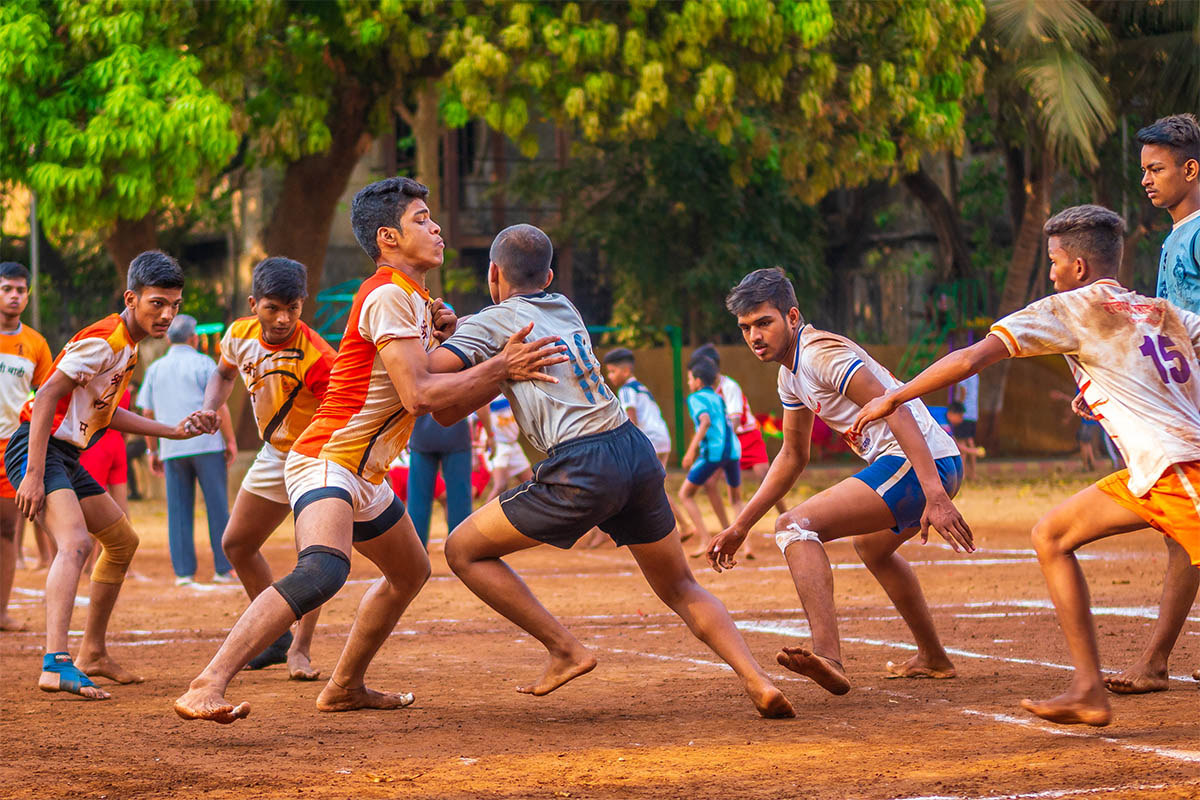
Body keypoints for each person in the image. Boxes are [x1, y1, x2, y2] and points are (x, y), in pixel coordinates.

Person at [173, 177, 565, 724]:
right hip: (326, 456)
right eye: (423, 219)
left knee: (410, 572)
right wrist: (499, 365)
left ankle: (345, 686)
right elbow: (421, 394)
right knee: (322, 571)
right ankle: (206, 683)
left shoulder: (414, 300)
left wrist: (476, 355)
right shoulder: (385, 295)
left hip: (365, 471)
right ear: (388, 237)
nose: (437, 229)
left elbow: (440, 399)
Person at [853, 204, 1200, 727]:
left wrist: (893, 397)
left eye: (1054, 260)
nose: (1052, 271)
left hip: (1181, 468)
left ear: (1078, 268)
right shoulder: (1159, 311)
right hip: (1155, 470)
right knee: (1051, 535)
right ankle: (1087, 687)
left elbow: (972, 358)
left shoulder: (1071, 307)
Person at [434, 224, 794, 718]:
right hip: (633, 450)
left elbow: (431, 377)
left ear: (493, 273)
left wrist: (434, 332)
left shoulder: (493, 320)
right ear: (550, 276)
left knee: (461, 549)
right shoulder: (565, 308)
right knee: (681, 587)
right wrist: (464, 335)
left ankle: (564, 649)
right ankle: (757, 679)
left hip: (580, 465)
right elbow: (475, 380)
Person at [707, 267, 971, 697]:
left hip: (920, 462)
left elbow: (896, 409)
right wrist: (741, 525)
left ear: (792, 317)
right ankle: (933, 658)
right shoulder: (790, 374)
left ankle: (828, 656)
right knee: (872, 547)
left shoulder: (818, 355)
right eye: (745, 328)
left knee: (795, 526)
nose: (754, 336)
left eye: (763, 323)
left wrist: (935, 495)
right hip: (922, 462)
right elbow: (793, 456)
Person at [10, 250, 211, 700]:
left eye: (174, 305)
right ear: (131, 297)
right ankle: (55, 664)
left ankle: (93, 653)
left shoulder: (128, 344)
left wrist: (171, 431)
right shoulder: (105, 339)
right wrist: (34, 474)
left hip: (65, 455)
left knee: (122, 541)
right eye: (157, 303)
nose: (167, 314)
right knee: (77, 543)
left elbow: (108, 410)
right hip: (36, 447)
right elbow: (44, 400)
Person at [1100, 113, 1200, 696]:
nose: (1146, 180)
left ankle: (1156, 661)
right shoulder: (1176, 235)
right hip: (1186, 409)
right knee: (1183, 532)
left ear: (1191, 169)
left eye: (1156, 169)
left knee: (1184, 533)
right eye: (1143, 171)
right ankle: (1157, 659)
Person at [200, 257, 336, 679]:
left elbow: (340, 412)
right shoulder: (239, 333)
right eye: (272, 308)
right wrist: (209, 407)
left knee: (313, 557)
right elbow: (223, 374)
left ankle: (300, 648)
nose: (282, 319)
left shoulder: (316, 356)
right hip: (274, 452)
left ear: (302, 305)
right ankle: (276, 635)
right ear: (253, 303)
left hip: (317, 456)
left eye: (292, 309)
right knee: (236, 544)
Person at [138, 314, 236, 585]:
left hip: (172, 447)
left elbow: (147, 411)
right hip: (206, 445)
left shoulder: (155, 369)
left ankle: (183, 572)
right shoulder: (204, 363)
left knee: (178, 510)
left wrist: (152, 451)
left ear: (168, 338)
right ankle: (223, 567)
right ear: (194, 338)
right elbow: (220, 406)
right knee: (217, 507)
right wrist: (229, 440)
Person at [0, 261, 52, 631]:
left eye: (20, 290)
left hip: (10, 447)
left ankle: (0, 612)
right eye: (6, 288)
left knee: (7, 529)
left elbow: (47, 395)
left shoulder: (35, 344)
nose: (14, 295)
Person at [602, 348, 692, 539]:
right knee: (653, 486)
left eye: (612, 371)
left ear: (625, 371)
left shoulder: (626, 390)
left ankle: (677, 526)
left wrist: (627, 445)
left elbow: (631, 418)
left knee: (649, 487)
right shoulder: (641, 387)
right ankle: (679, 525)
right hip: (661, 439)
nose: (610, 376)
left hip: (649, 439)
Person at [678, 357, 744, 556]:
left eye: (690, 379)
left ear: (698, 381)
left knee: (685, 494)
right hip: (733, 451)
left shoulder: (695, 398)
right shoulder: (718, 396)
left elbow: (705, 421)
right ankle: (740, 542)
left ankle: (705, 539)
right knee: (736, 499)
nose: (689, 383)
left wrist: (691, 450)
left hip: (713, 454)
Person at [407, 414, 474, 547]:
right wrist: (490, 434)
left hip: (421, 435)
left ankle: (414, 554)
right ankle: (462, 550)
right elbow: (481, 404)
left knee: (417, 500)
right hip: (457, 435)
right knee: (459, 500)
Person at [482, 394, 532, 501]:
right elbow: (477, 414)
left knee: (531, 483)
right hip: (497, 444)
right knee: (501, 485)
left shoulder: (509, 390)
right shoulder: (488, 391)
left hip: (512, 443)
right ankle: (482, 518)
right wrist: (488, 436)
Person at [945, 402, 984, 472]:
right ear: (951, 413)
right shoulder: (944, 424)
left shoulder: (944, 418)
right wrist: (975, 451)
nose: (961, 420)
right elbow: (956, 445)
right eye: (960, 417)